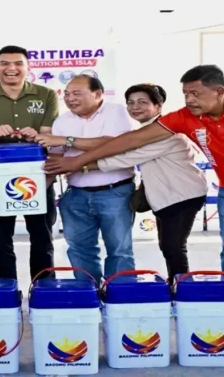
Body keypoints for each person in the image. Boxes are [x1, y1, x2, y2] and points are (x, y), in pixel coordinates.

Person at [44, 65, 224, 307]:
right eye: (185, 94)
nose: (189, 100)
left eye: (196, 93)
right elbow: (129, 142)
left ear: (219, 92)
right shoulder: (183, 118)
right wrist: (78, 161)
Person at [39, 83, 208, 282]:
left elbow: (126, 157)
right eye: (131, 103)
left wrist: (78, 164)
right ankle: (176, 285)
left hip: (181, 195)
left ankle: (180, 289)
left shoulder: (166, 133)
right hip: (165, 197)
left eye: (142, 102)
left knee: (170, 246)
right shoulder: (142, 131)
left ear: (158, 106)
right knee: (168, 246)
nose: (135, 107)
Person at [0, 45, 59, 280]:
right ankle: (5, 291)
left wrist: (36, 136)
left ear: (28, 67)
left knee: (42, 238)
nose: (12, 68)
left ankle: (43, 290)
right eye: (5, 63)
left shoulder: (47, 95)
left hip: (39, 177)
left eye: (18, 63)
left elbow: (48, 138)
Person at [33, 75, 135, 285]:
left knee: (119, 249)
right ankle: (88, 292)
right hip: (76, 194)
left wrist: (67, 140)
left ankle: (121, 294)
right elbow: (56, 160)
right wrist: (33, 192)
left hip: (115, 192)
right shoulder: (62, 121)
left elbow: (115, 144)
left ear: (97, 94)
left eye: (77, 93)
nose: (70, 98)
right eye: (67, 94)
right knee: (79, 249)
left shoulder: (116, 111)